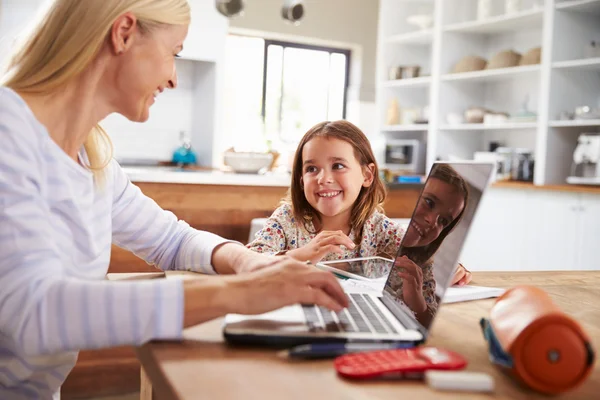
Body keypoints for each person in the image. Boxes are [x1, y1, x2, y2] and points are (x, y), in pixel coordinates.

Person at [0, 1, 347, 398]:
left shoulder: (91, 158)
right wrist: (244, 293)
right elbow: (37, 310)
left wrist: (252, 263)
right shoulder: (7, 132)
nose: (174, 78)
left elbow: (172, 240)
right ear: (124, 33)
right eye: (174, 53)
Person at [247, 121, 470, 313]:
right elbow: (247, 261)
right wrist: (301, 255)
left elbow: (419, 256)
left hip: (355, 318)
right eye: (312, 169)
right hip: (294, 315)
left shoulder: (377, 228)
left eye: (338, 166)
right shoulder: (287, 219)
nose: (324, 178)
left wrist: (447, 269)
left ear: (367, 175)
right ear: (301, 179)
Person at [386, 163, 470, 326]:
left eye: (443, 221)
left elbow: (427, 320)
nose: (432, 221)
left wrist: (418, 304)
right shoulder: (379, 232)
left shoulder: (423, 269)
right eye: (429, 203)